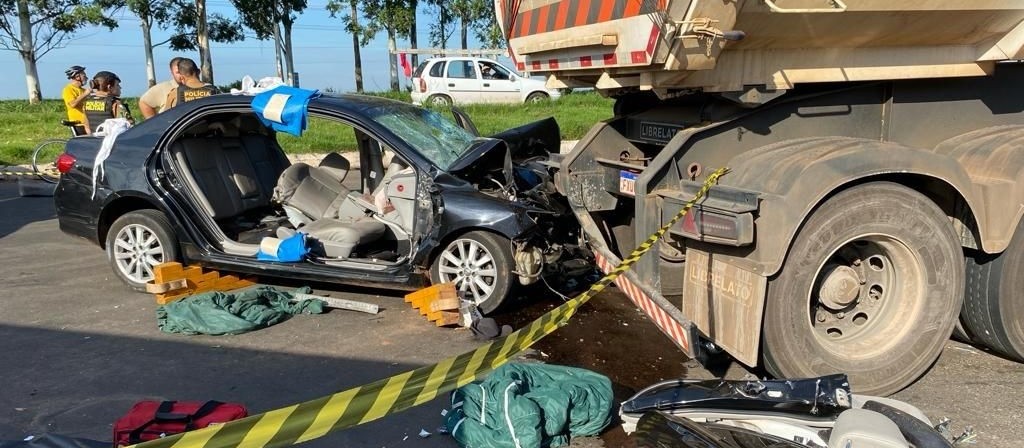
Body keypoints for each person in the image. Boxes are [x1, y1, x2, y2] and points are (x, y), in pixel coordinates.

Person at [61, 65, 91, 135]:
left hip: (89, 123)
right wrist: (86, 94)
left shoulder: (83, 90)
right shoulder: (68, 89)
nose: (86, 78)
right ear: (77, 77)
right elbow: (72, 104)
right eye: (84, 76)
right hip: (79, 124)